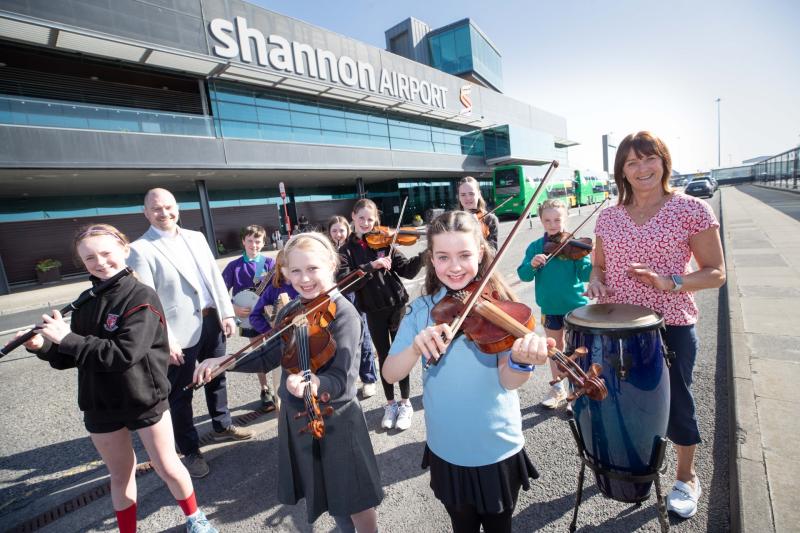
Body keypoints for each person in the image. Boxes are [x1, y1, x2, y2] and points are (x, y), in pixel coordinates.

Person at [16, 224, 217, 533]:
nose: (100, 262)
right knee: (120, 474)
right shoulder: (86, 300)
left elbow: (124, 354)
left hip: (143, 397)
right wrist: (42, 345)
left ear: (125, 249)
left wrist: (67, 337)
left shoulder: (141, 296)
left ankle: (195, 518)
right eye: (90, 257)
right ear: (82, 262)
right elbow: (71, 356)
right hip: (100, 402)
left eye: (107, 253)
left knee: (166, 465)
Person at [193, 232, 383, 532]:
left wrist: (315, 384)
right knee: (333, 496)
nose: (304, 278)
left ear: (331, 265)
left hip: (337, 422)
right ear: (284, 273)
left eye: (312, 269)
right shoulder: (292, 309)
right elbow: (267, 354)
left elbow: (342, 380)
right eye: (295, 271)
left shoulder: (344, 314)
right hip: (300, 418)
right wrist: (224, 362)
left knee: (354, 497)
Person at [585, 131, 726, 519]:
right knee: (622, 400)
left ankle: (686, 477)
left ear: (664, 161)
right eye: (632, 162)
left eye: (649, 159)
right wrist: (597, 279)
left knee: (676, 402)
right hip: (615, 328)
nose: (642, 168)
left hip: (671, 324)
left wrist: (671, 282)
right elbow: (598, 263)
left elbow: (716, 273)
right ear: (622, 172)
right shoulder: (609, 215)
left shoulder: (691, 209)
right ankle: (631, 464)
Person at [382, 211, 550, 533]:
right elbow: (390, 374)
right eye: (443, 257)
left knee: (501, 527)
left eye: (464, 255)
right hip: (447, 448)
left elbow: (509, 380)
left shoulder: (499, 308)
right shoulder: (421, 312)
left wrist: (522, 360)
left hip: (496, 446)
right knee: (462, 527)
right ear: (431, 259)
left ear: (481, 254)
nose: (454, 266)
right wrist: (416, 347)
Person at [127, 188, 253, 479]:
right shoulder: (140, 249)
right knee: (181, 394)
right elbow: (148, 302)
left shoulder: (196, 237)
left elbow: (213, 278)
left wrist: (227, 313)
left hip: (212, 321)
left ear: (177, 208)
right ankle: (190, 450)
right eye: (156, 209)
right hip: (177, 333)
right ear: (146, 212)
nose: (164, 213)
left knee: (217, 376)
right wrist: (165, 338)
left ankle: (221, 426)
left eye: (169, 207)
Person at [339, 199, 423, 431]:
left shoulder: (385, 241)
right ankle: (390, 404)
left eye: (370, 219)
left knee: (400, 354)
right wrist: (370, 267)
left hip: (397, 305)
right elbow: (344, 282)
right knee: (384, 356)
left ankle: (406, 403)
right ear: (353, 217)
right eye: (362, 218)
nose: (366, 223)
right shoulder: (346, 250)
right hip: (373, 311)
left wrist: (426, 255)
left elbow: (406, 269)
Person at [516, 199, 591, 410]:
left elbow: (586, 275)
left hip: (576, 307)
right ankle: (558, 389)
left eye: (557, 219)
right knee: (555, 350)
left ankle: (576, 391)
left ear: (565, 219)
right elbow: (523, 276)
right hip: (550, 308)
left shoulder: (573, 245)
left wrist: (585, 257)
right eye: (547, 220)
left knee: (578, 350)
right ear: (540, 220)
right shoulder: (536, 247)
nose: (552, 224)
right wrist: (531, 265)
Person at [221, 224, 277, 411]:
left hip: (270, 315)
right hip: (249, 318)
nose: (254, 245)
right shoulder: (234, 266)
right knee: (258, 352)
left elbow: (280, 286)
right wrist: (233, 307)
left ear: (263, 242)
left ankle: (280, 385)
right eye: (250, 241)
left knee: (280, 350)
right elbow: (219, 292)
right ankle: (265, 388)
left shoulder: (270, 264)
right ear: (243, 241)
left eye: (258, 241)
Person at [327, 215, 379, 399]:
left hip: (353, 296)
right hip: (332, 298)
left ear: (348, 231)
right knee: (338, 340)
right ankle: (346, 378)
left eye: (341, 230)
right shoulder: (326, 250)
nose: (338, 234)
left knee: (362, 336)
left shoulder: (351, 248)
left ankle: (369, 378)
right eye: (334, 230)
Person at [457, 176, 499, 251]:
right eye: (463, 195)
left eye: (471, 194)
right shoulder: (453, 220)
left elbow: (493, 253)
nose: (468, 198)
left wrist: (478, 233)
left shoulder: (490, 219)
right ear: (459, 197)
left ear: (479, 194)